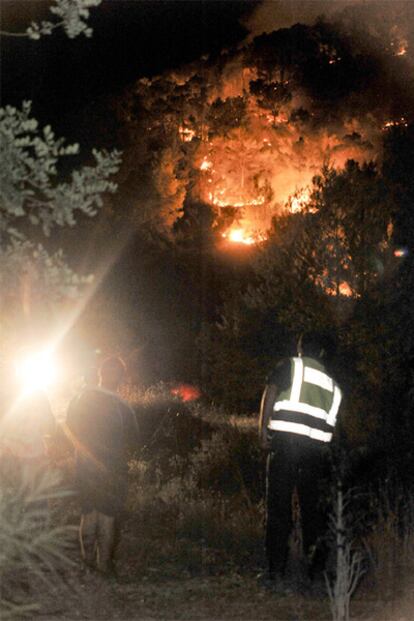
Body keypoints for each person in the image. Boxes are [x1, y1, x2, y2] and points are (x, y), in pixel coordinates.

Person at [258, 332, 342, 587]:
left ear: (300, 349)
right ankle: (315, 572)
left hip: (285, 447)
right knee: (312, 513)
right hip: (315, 454)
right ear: (323, 354)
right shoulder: (333, 387)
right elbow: (332, 428)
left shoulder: (291, 366)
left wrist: (262, 430)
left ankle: (276, 572)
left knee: (279, 510)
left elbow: (271, 391)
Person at [65, 356, 139, 575]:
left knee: (88, 514)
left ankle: (87, 562)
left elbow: (69, 428)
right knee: (107, 516)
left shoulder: (80, 398)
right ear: (120, 378)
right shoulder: (123, 408)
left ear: (100, 373)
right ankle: (104, 564)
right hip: (112, 469)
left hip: (84, 466)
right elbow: (133, 441)